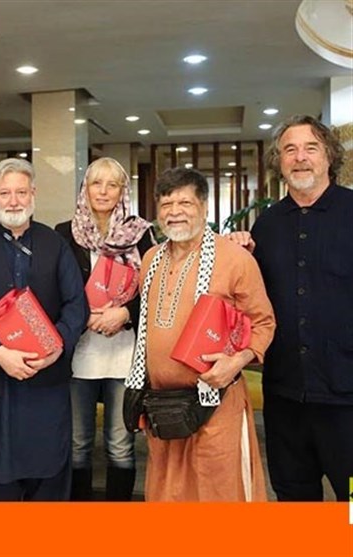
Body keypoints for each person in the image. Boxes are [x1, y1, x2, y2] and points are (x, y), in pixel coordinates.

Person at [124, 167, 275, 501]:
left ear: (204, 207)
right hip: (162, 407)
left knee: (216, 493)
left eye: (185, 203)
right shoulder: (150, 259)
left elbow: (263, 323)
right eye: (166, 204)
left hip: (215, 404)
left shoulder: (235, 259)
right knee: (168, 494)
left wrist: (236, 362)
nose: (174, 212)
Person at [228, 115, 353, 501]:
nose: (300, 158)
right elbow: (251, 305)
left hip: (347, 397)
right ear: (279, 161)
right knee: (295, 499)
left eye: (310, 148)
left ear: (329, 156)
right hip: (285, 396)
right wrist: (238, 258)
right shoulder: (266, 226)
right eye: (290, 150)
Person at [0, 158, 87, 501]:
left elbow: (77, 304)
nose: (13, 201)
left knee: (50, 475)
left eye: (21, 192)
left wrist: (56, 347)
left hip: (47, 382)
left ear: (33, 194)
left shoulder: (55, 243)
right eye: (5, 193)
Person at [55, 157, 155, 501]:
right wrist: (81, 316)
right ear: (85, 188)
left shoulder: (140, 234)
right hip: (79, 353)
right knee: (77, 443)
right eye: (96, 183)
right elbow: (54, 288)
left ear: (122, 191)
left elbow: (154, 288)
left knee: (120, 444)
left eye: (112, 185)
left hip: (123, 353)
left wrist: (125, 313)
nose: (103, 191)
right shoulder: (64, 233)